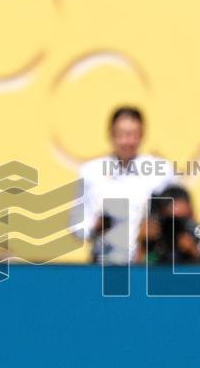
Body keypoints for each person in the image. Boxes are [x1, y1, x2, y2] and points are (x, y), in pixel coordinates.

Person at [73, 106, 177, 263]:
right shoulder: (91, 172)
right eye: (121, 134)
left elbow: (177, 213)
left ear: (142, 135)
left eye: (133, 134)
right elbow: (77, 225)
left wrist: (157, 228)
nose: (127, 141)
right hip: (104, 262)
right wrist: (95, 227)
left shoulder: (161, 171)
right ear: (110, 134)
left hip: (148, 263)